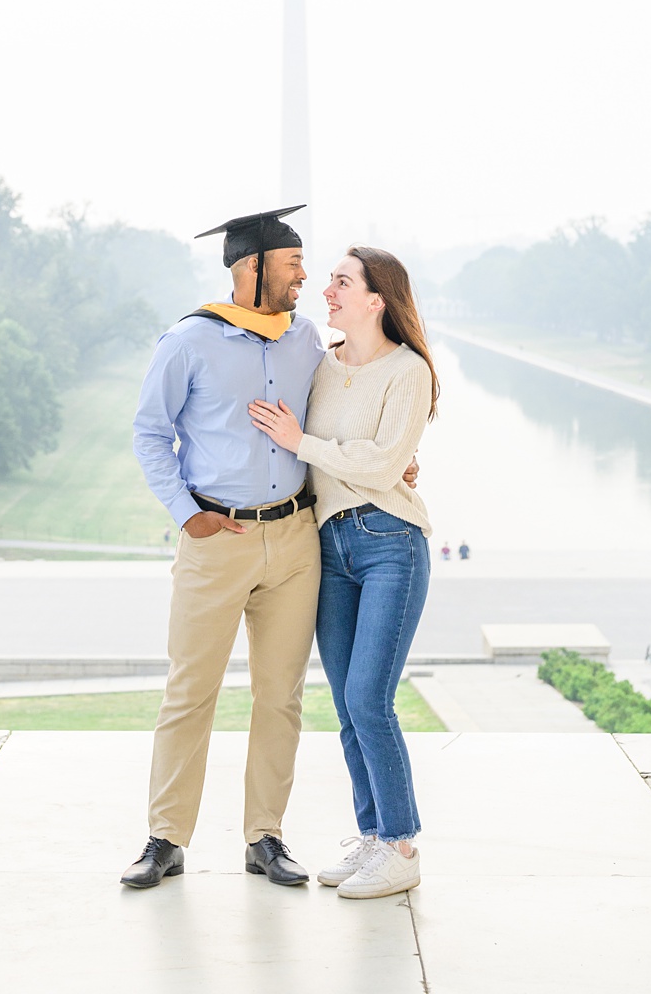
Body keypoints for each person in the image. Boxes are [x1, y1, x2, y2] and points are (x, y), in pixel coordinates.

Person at [122, 206, 325, 891]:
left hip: (295, 541)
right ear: (251, 267)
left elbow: (327, 419)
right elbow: (151, 433)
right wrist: (187, 514)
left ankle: (264, 836)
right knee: (190, 692)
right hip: (217, 539)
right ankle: (165, 839)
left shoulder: (306, 341)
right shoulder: (188, 342)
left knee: (281, 697)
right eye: (292, 263)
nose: (303, 275)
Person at [249, 246, 438, 900]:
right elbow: (342, 459)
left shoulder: (408, 370)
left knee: (368, 698)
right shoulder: (324, 369)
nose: (326, 288)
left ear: (377, 299)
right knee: (348, 705)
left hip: (390, 542)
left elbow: (385, 465)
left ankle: (403, 843)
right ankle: (373, 838)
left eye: (341, 281)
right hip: (330, 546)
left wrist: (301, 441)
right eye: (328, 279)